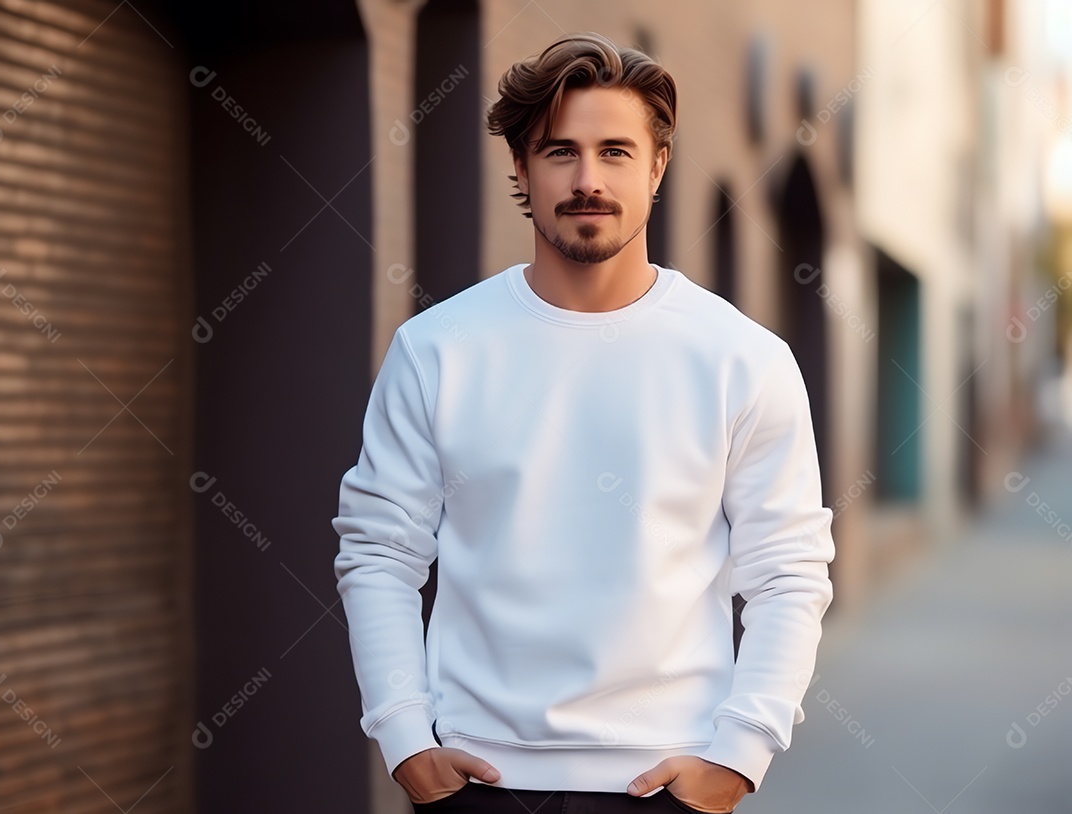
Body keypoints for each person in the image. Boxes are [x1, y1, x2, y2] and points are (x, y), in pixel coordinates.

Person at [332, 31, 835, 814]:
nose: (588, 179)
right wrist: (406, 740)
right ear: (522, 169)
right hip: (477, 782)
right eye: (560, 151)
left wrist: (738, 757)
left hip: (670, 781)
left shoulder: (743, 359)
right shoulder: (437, 350)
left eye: (616, 151)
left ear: (659, 165)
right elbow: (378, 551)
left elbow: (790, 572)